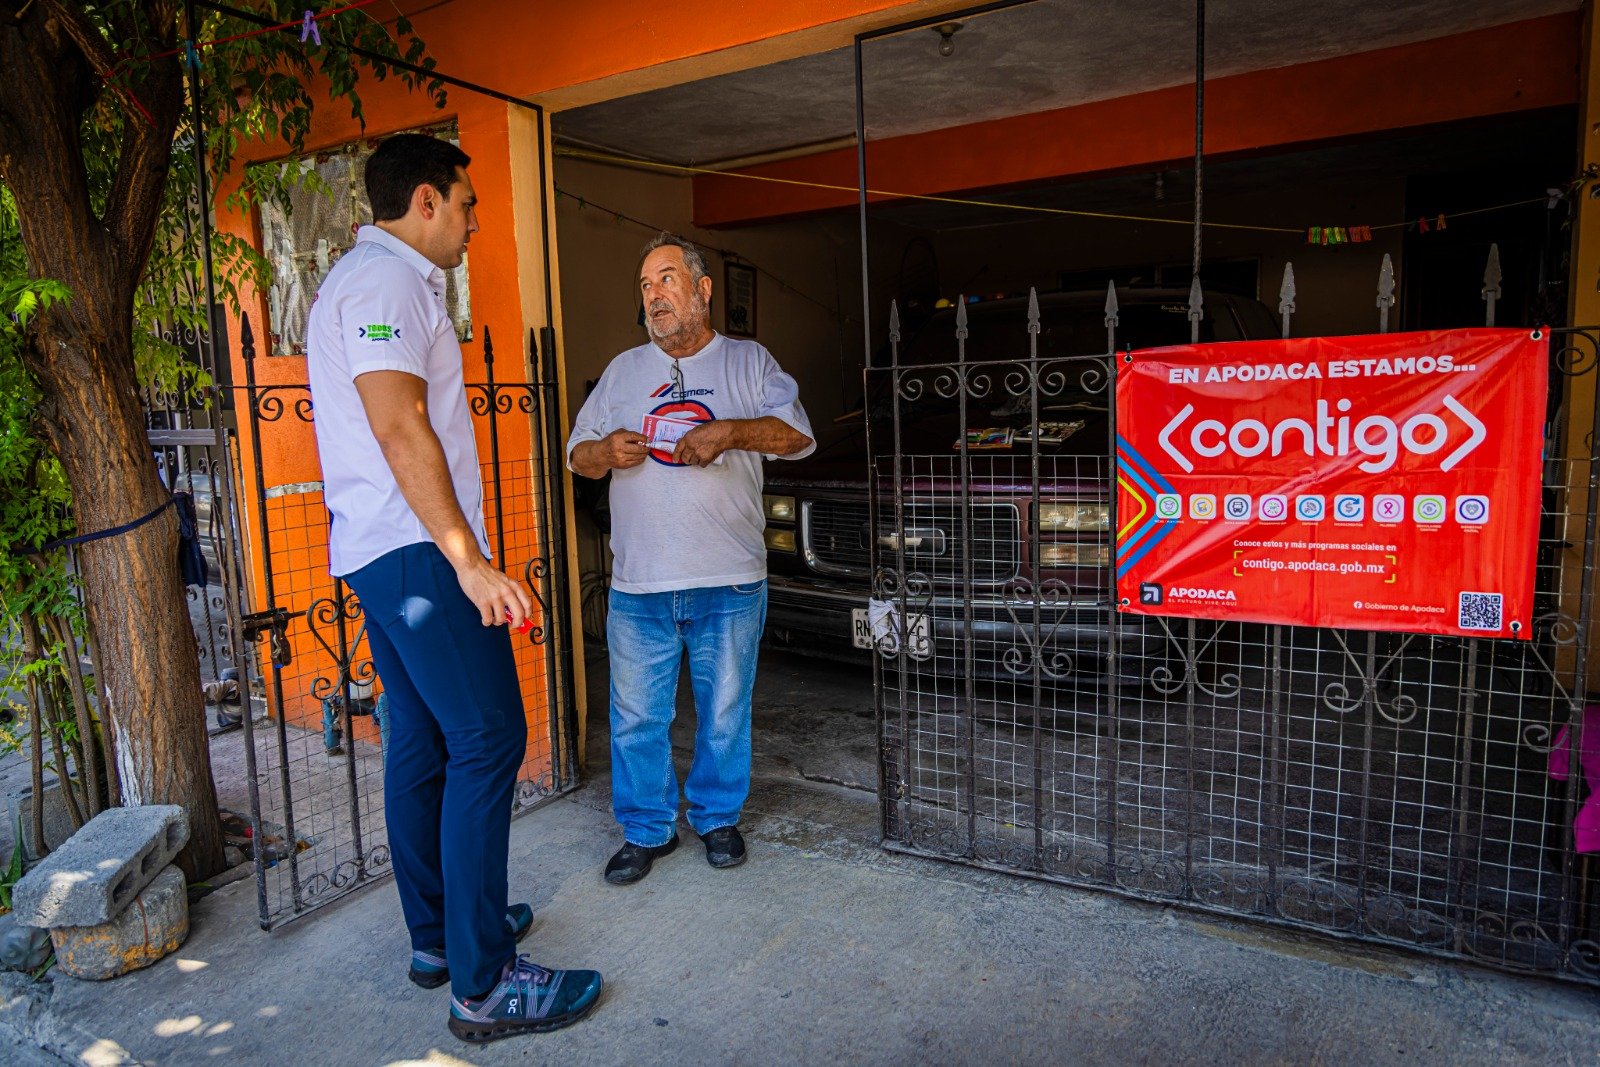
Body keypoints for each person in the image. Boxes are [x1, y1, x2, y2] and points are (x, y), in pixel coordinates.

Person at [305, 133, 602, 1043]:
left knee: (424, 740)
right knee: (489, 737)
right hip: (415, 555)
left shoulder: (365, 281)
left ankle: (441, 939)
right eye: (469, 203)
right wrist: (467, 558)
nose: (476, 219)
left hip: (378, 549)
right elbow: (401, 429)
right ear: (426, 200)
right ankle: (483, 984)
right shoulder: (386, 282)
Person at [567, 233, 815, 885]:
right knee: (637, 717)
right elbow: (577, 453)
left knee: (725, 709)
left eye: (667, 279)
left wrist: (728, 431)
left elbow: (795, 437)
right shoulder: (622, 371)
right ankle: (647, 828)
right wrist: (607, 452)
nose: (654, 295)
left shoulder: (748, 361)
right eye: (646, 286)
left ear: (704, 289)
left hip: (728, 580)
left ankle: (716, 817)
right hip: (640, 585)